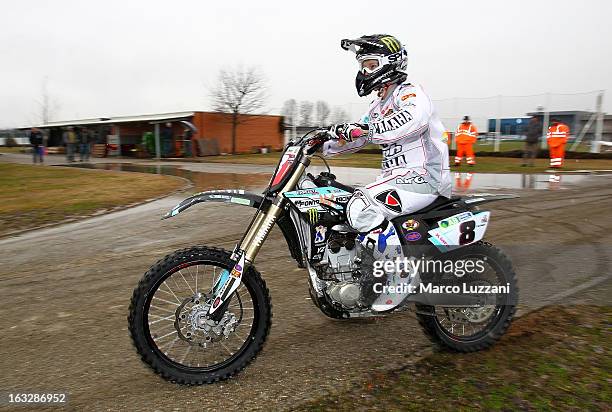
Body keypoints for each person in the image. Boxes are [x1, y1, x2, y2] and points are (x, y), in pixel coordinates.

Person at [323, 34, 451, 234]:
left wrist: (367, 129)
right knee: (338, 204)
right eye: (362, 66)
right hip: (395, 179)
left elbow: (413, 119)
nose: (365, 72)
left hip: (424, 178)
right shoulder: (377, 106)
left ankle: (393, 264)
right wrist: (323, 145)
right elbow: (358, 137)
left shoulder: (410, 93)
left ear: (391, 62)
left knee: (360, 207)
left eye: (371, 65)